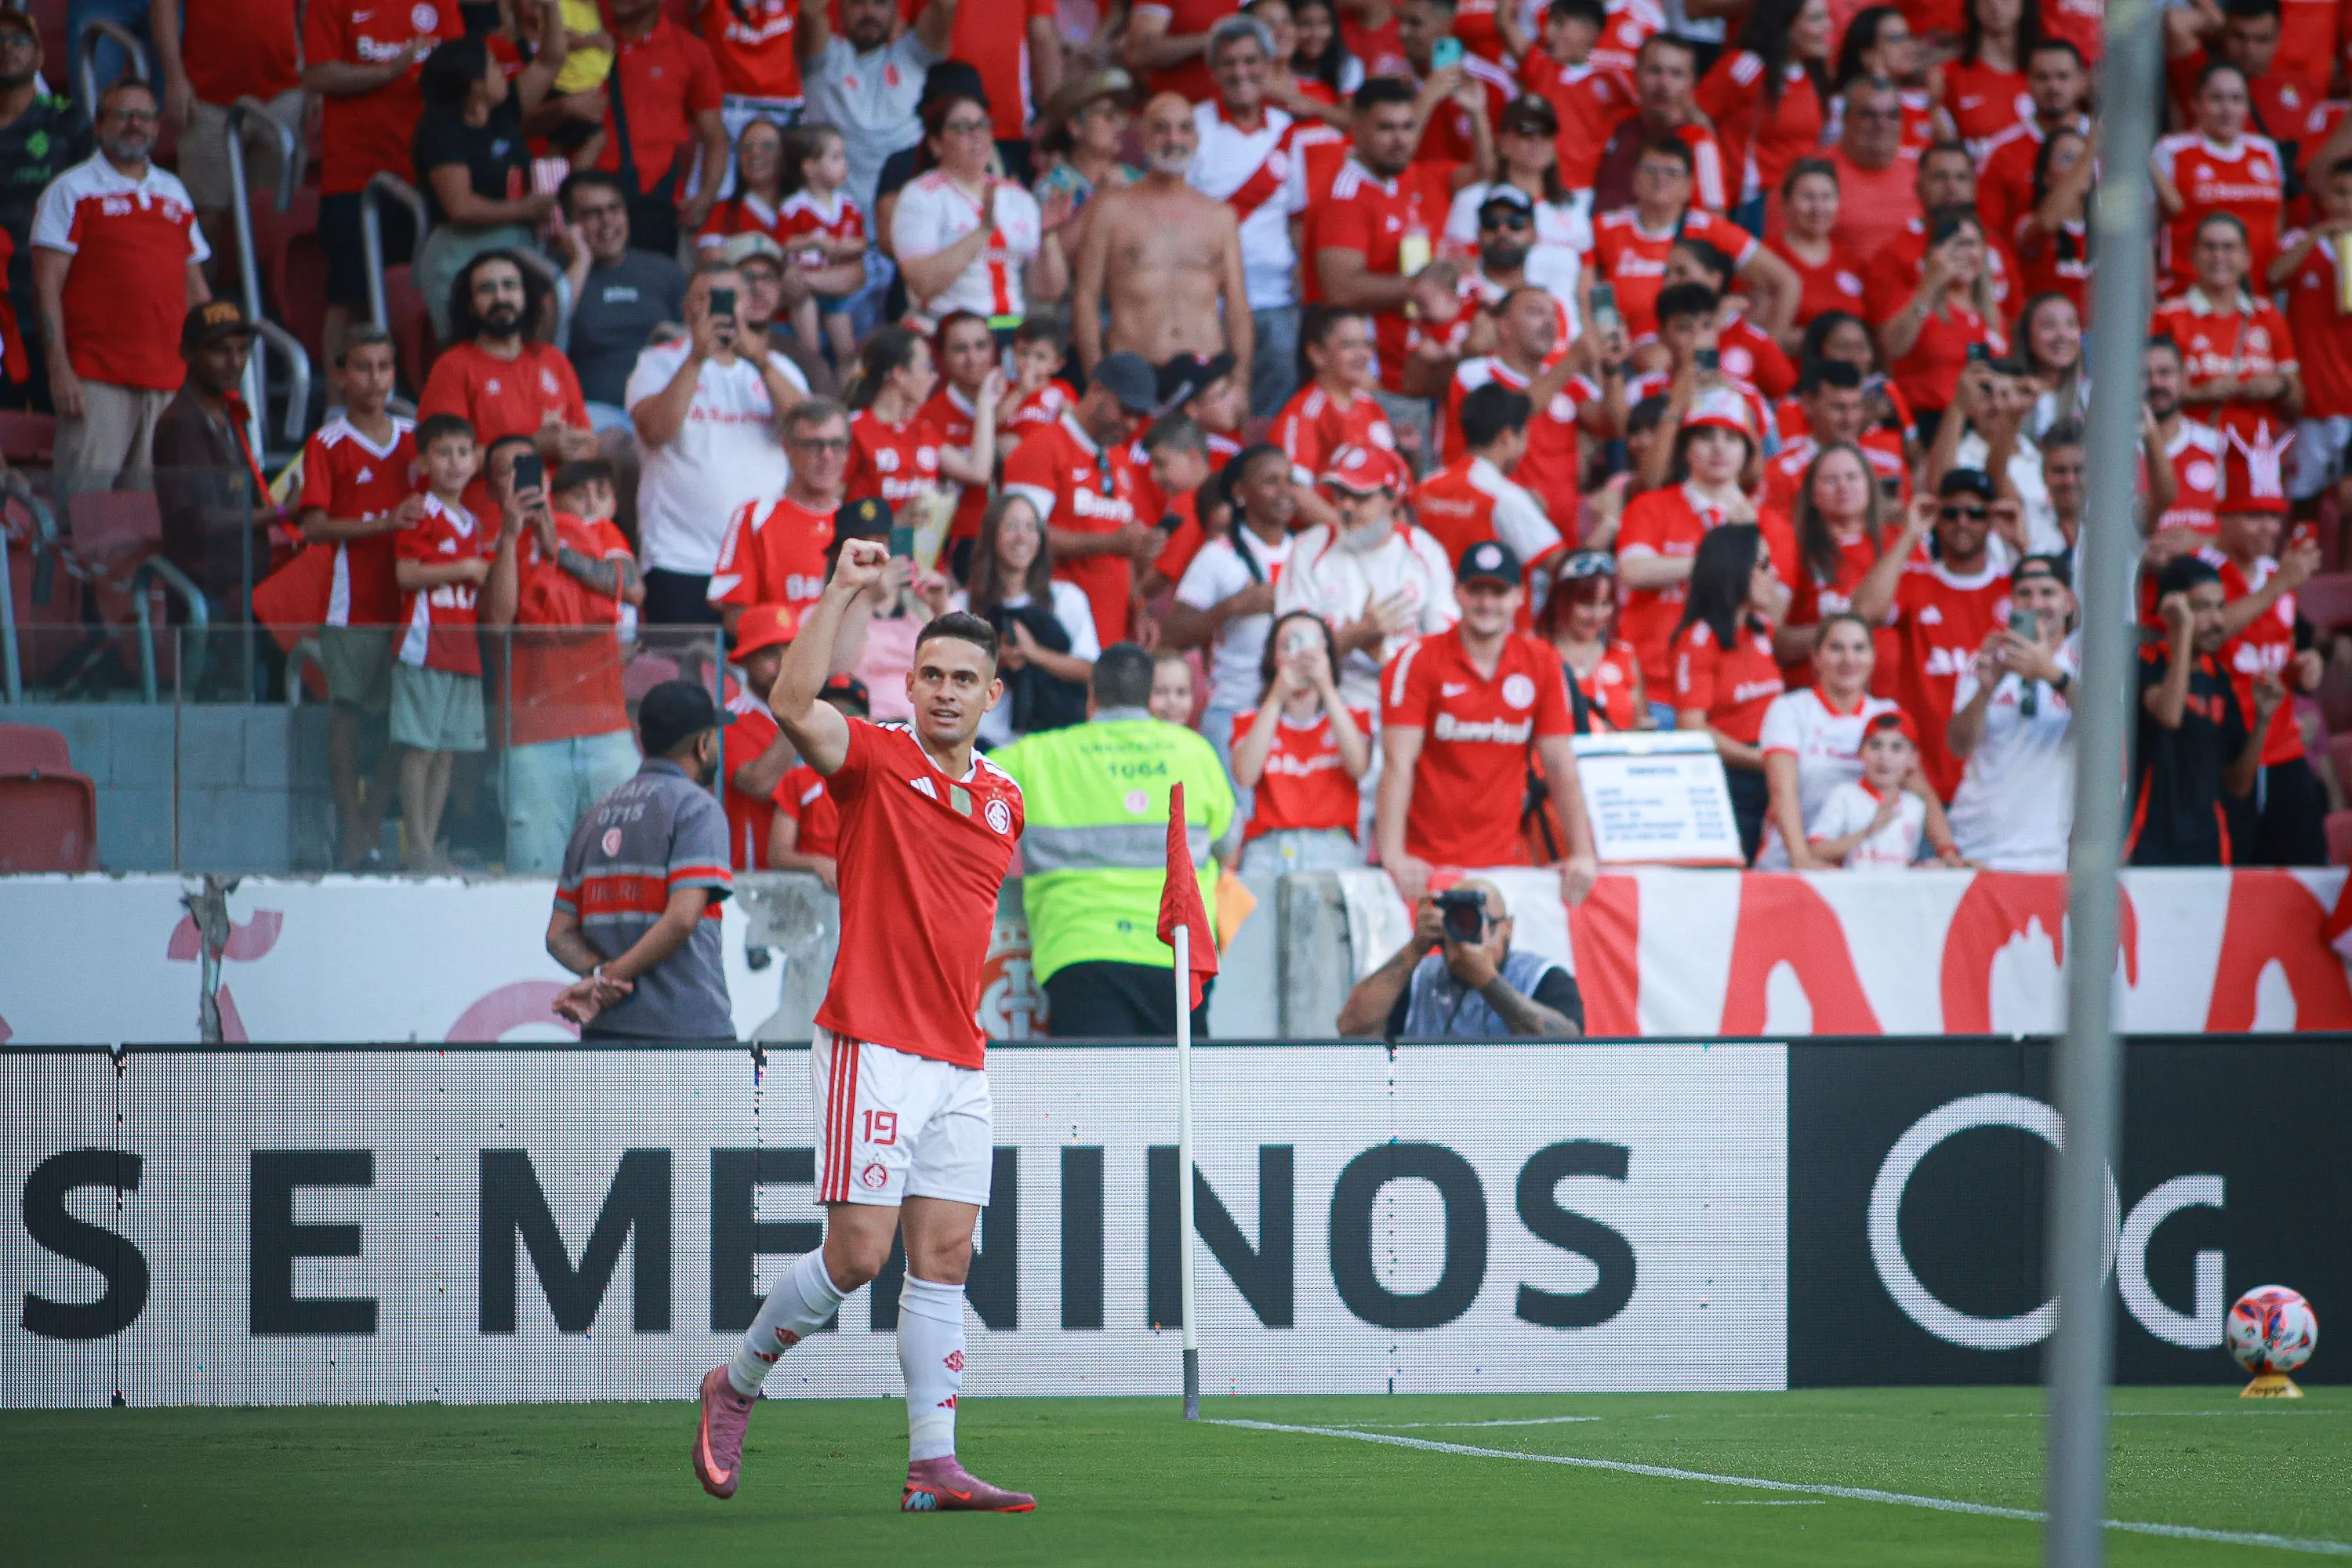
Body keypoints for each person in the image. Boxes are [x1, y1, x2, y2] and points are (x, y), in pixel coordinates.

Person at [696, 539, 1032, 1512]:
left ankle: (933, 1462)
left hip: (958, 1057)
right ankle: (737, 1382)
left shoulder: (1007, 796)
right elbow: (792, 708)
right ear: (909, 679)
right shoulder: (875, 757)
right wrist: (843, 587)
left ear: (991, 696)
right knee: (857, 1256)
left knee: (946, 1257)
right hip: (872, 1041)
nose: (943, 692)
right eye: (929, 674)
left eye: (963, 679)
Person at [993, 642, 1236, 1037]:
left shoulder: (1039, 755)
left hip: (1080, 950)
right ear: (1148, 695)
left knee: (1096, 1095)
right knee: (1178, 1096)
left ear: (1092, 696)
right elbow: (1228, 844)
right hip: (1178, 954)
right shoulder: (1196, 753)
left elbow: (959, 786)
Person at [1379, 539, 1599, 900]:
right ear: (1457, 593)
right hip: (1426, 866)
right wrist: (1393, 856)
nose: (1487, 603)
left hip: (1504, 863)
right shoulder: (1417, 660)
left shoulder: (1542, 662)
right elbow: (1397, 763)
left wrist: (1582, 855)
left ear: (1519, 596)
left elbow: (1560, 763)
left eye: (1498, 592)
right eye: (1476, 590)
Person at [31, 78, 211, 495]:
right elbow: (46, 288)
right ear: (98, 125)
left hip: (170, 384)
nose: (135, 124)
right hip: (97, 383)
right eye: (123, 115)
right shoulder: (70, 189)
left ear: (157, 127)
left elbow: (196, 290)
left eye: (145, 116)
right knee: (88, 529)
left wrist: (208, 373)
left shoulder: (175, 192)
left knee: (152, 526)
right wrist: (59, 372)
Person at [478, 434, 643, 875]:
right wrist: (512, 535)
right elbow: (498, 621)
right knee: (536, 871)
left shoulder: (590, 529)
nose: (518, 480)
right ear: (494, 490)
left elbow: (633, 586)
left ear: (545, 476)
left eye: (526, 468)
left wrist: (560, 551)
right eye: (505, 473)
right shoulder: (486, 541)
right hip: (533, 737)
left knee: (623, 868)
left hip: (606, 725)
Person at [286, 327, 418, 868]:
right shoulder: (327, 443)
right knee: (349, 713)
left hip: (412, 602)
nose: (375, 379)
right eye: (362, 368)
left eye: (384, 367)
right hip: (350, 602)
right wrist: (384, 523)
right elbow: (313, 526)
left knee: (403, 721)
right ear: (340, 376)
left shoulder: (415, 438)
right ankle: (351, 829)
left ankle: (370, 821)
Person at [548, 678, 735, 1041]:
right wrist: (611, 977)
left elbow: (558, 935)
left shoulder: (595, 814)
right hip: (686, 1035)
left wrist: (599, 975)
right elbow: (683, 918)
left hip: (607, 1034)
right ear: (701, 745)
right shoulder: (697, 808)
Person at [630, 263, 811, 625]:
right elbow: (655, 430)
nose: (722, 309)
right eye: (708, 299)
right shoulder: (658, 362)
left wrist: (759, 361)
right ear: (688, 309)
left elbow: (808, 435)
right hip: (680, 557)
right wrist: (697, 358)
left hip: (761, 557)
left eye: (731, 298)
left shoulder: (778, 367)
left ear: (748, 306)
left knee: (766, 676)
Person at [1616, 387, 1795, 699]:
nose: (1718, 448)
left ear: (1748, 452)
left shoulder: (1771, 525)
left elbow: (1776, 614)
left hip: (1740, 692)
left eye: (1731, 438)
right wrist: (1725, 561)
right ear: (1685, 449)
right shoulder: (1649, 506)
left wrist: (1750, 540)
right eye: (1705, 437)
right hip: (1656, 686)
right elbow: (1633, 571)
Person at [307, 0, 456, 365]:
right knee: (350, 297)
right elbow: (317, 74)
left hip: (429, 174)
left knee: (430, 294)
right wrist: (390, 71)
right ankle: (337, 408)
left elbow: (460, 67)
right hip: (355, 175)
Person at [1851, 474, 2016, 799]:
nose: (1962, 522)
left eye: (1976, 514)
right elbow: (1862, 613)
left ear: (1991, 520)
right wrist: (1909, 536)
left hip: (1997, 790)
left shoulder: (2014, 589)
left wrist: (2022, 544)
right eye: (1951, 513)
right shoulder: (1916, 581)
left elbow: (2063, 621)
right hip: (1924, 787)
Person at [1072, 93, 1253, 379]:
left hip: (1206, 376)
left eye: (1184, 129)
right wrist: (1097, 376)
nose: (1173, 139)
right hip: (1134, 373)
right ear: (1143, 137)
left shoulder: (1221, 217)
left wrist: (1240, 381)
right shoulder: (1110, 210)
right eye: (1161, 128)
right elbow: (1086, 298)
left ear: (1196, 138)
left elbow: (1238, 308)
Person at [2209, 445, 2328, 865]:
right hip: (2221, 754)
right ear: (2222, 516)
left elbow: (2274, 655)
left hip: (2282, 748)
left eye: (2274, 516)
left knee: (2303, 872)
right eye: (2253, 516)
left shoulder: (2279, 576)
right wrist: (2278, 587)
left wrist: (2303, 669)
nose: (2267, 529)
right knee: (2228, 884)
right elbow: (2212, 633)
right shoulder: (2201, 573)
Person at [1277, 441, 1461, 713]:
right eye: (1340, 494)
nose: (1347, 506)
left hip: (1407, 707)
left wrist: (1384, 655)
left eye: (1360, 496)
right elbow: (1291, 661)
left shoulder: (1423, 550)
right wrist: (1357, 635)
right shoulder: (1309, 548)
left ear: (1392, 500)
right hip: (1328, 708)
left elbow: (1447, 653)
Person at [1001, 350, 1164, 651]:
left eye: (1139, 417)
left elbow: (1123, 543)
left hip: (1112, 634)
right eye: (1125, 410)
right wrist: (1110, 544)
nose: (1131, 424)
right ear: (1096, 390)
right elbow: (1015, 537)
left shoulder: (1119, 456)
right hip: (1052, 632)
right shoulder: (1041, 448)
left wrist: (1139, 608)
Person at [1190, 16, 1312, 418]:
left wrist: (1299, 276)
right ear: (1212, 72)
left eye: (1250, 60)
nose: (1240, 72)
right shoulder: (1192, 127)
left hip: (1274, 299)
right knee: (1211, 411)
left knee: (1270, 417)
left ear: (1268, 65)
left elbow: (1296, 217)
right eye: (1228, 63)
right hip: (1208, 301)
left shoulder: (1286, 130)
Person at [410, 30, 564, 340]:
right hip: (460, 253)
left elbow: (550, 61)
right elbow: (460, 206)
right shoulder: (441, 131)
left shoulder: (502, 113)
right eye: (494, 66)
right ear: (475, 85)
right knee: (473, 354)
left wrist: (550, 8)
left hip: (519, 246)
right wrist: (525, 208)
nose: (503, 73)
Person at [2130, 554, 2276, 865]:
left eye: (2219, 607)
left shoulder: (2218, 678)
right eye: (2202, 608)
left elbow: (2238, 786)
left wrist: (2263, 721)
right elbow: (2170, 714)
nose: (2218, 620)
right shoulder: (2145, 663)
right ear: (2173, 609)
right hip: (2146, 846)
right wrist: (2180, 630)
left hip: (2208, 849)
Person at [391, 413, 491, 871]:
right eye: (443, 452)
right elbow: (406, 575)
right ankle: (419, 849)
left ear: (477, 460)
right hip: (424, 644)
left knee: (446, 751)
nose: (454, 462)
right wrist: (464, 570)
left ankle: (429, 846)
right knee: (421, 749)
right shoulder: (419, 510)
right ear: (424, 461)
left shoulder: (471, 521)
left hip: (462, 649)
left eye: (463, 452)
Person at [927, 492, 1098, 749]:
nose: (1021, 537)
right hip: (985, 742)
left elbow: (1090, 669)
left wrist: (1035, 654)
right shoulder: (963, 603)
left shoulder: (1066, 598)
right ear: (992, 536)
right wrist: (999, 662)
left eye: (1031, 527)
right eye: (1011, 526)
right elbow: (949, 676)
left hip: (1054, 741)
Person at [419, 250, 598, 494]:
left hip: (564, 504)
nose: (500, 297)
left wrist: (572, 446)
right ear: (470, 305)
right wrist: (535, 446)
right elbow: (442, 459)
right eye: (487, 289)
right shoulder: (452, 366)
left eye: (510, 286)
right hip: (491, 509)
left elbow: (589, 444)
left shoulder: (553, 359)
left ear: (525, 296)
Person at [1585, 138, 1796, 344]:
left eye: (1672, 173)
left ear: (1688, 186)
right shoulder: (1605, 227)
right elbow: (1582, 289)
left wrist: (1770, 346)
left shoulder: (1709, 229)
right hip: (1620, 350)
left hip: (1691, 351)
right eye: (1651, 169)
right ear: (1634, 179)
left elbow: (1787, 282)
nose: (1660, 179)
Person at [1166, 444, 1299, 766]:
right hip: (1234, 711)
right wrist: (1230, 607)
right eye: (1271, 481)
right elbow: (1171, 634)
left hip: (1298, 714)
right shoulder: (1218, 556)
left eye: (1289, 480)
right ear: (1240, 491)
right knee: (1236, 817)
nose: (1285, 491)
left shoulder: (1309, 553)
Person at [1947, 554, 2079, 869]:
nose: (2036, 602)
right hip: (1973, 844)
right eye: (2025, 593)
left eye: (2048, 592)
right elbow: (1958, 745)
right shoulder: (1986, 661)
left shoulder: (2084, 665)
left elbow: (2106, 729)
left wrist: (2050, 673)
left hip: (2046, 851)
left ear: (2069, 602)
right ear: (2011, 603)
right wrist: (1986, 688)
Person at [1667, 523, 1788, 861]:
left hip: (1770, 774)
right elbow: (1692, 727)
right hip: (1732, 784)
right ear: (1733, 566)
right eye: (1763, 564)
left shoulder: (1761, 628)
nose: (1774, 573)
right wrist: (1759, 760)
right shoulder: (1698, 639)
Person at [893, 89, 1061, 329]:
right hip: (948, 334)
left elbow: (1047, 291)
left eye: (983, 125)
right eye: (962, 128)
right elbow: (923, 283)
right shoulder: (920, 195)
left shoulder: (1017, 196)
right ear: (936, 143)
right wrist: (982, 232)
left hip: (1011, 331)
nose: (977, 136)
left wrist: (1049, 235)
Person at [1335, 878, 1584, 1038]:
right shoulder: (1418, 977)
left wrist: (1488, 981)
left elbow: (1568, 1043)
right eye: (1459, 923)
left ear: (1508, 928)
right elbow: (1350, 1026)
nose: (1470, 934)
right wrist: (1415, 947)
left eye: (1481, 924)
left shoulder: (1543, 976)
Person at [149, 300, 269, 620]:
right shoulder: (181, 423)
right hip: (208, 598)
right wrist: (280, 512)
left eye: (242, 350)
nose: (235, 362)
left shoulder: (227, 413)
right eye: (220, 351)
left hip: (240, 589)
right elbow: (204, 521)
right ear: (188, 353)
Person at [1232, 608, 1374, 871]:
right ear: (1272, 657)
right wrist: (1276, 697)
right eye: (1289, 646)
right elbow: (1245, 776)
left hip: (1334, 843)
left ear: (1328, 655)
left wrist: (1326, 687)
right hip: (1268, 846)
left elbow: (1359, 767)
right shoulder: (1250, 720)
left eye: (1311, 646)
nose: (1301, 657)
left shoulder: (1354, 716)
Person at [590, 0, 729, 258]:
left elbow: (715, 137)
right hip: (589, 207)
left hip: (657, 204)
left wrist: (706, 196)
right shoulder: (587, 42)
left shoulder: (690, 50)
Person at [2151, 212, 2302, 449]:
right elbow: (2145, 394)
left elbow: (2299, 402)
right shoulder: (2167, 316)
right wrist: (2201, 393)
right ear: (2193, 256)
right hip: (2190, 452)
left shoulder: (2268, 315)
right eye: (2209, 247)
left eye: (2229, 247)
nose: (2218, 256)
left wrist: (2279, 387)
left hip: (2256, 459)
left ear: (2247, 258)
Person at [795, 0, 955, 222]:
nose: (869, 11)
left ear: (897, 11)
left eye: (880, 2)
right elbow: (810, 10)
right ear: (840, 10)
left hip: (904, 223)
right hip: (831, 226)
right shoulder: (821, 57)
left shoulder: (913, 55)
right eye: (857, 3)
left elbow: (944, 6)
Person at [557, 171, 691, 428]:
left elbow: (696, 339)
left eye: (614, 209)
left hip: (664, 407)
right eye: (592, 214)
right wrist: (581, 262)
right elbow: (548, 336)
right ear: (570, 223)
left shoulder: (664, 270)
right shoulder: (557, 275)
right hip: (594, 410)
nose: (607, 222)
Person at [710, 397, 851, 632]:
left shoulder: (856, 521)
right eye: (814, 445)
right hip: (779, 660)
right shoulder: (754, 516)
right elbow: (735, 615)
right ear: (787, 448)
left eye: (837, 444)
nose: (827, 455)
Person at [1772, 432, 1904, 677]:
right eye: (1831, 479)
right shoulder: (1792, 547)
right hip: (1815, 699)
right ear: (1812, 493)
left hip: (1892, 702)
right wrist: (1840, 634)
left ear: (1870, 486)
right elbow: (1776, 640)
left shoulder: (1902, 543)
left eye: (1852, 477)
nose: (1843, 486)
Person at [1413, 383, 1566, 588]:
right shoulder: (1504, 496)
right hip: (1495, 615)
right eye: (1524, 436)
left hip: (1434, 615)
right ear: (1508, 437)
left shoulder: (1426, 485)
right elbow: (1564, 567)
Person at [1696, 0, 1832, 224]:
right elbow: (1695, 112)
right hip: (1752, 206)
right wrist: (1715, 177)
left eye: (1826, 17)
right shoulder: (1748, 66)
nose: (1827, 26)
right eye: (1815, 18)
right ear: (1785, 24)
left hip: (1801, 206)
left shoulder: (1816, 75)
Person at [2152, 62, 2285, 293]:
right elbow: (2146, 228)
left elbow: (2276, 221)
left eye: (2236, 99)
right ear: (2195, 103)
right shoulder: (2171, 150)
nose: (2227, 109)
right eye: (2216, 99)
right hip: (2185, 296)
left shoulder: (2266, 151)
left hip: (2257, 298)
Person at [1880, 206, 2005, 440]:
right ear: (1934, 251)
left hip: (1981, 431)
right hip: (1925, 428)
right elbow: (1894, 348)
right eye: (1956, 244)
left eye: (1972, 244)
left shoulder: (1992, 314)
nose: (1964, 253)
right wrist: (1931, 283)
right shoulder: (1913, 298)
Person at [841, 325, 993, 520]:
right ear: (899, 374)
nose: (934, 376)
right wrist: (896, 524)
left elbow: (978, 472)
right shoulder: (853, 428)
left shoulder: (923, 429)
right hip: (872, 548)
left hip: (923, 550)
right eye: (927, 367)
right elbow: (830, 504)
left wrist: (985, 401)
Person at [2275, 156, 2352, 513]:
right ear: (2324, 199)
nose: (2349, 203)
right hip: (2313, 402)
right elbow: (2274, 276)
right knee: (2303, 500)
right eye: (2341, 193)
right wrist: (2320, 234)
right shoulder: (2300, 243)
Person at [1592, 33, 1729, 215]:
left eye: (1676, 74)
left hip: (1664, 241)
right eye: (1655, 70)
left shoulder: (1700, 142)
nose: (1664, 83)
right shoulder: (1615, 123)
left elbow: (1714, 217)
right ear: (1637, 73)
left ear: (1691, 83)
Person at [712, 601, 803, 869]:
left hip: (814, 874)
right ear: (746, 659)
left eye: (791, 651)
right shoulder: (729, 718)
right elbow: (760, 784)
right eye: (771, 654)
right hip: (751, 877)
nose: (784, 663)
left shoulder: (819, 712)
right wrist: (794, 712)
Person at [1975, 38, 2091, 242]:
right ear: (2027, 82)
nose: (2053, 86)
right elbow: (1988, 232)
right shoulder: (2001, 151)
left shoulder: (2112, 145)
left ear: (2082, 82)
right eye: (2042, 77)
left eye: (2063, 77)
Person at [767, 671, 869, 885]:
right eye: (830, 712)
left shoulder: (880, 778)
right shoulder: (797, 779)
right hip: (811, 901)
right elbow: (778, 854)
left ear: (869, 721)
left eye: (850, 713)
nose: (841, 721)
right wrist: (818, 863)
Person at [1806, 709, 1931, 867]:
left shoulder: (1915, 806)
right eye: (1875, 745)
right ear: (1860, 752)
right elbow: (1815, 850)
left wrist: (1923, 867)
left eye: (1896, 748)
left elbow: (1905, 862)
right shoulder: (1845, 796)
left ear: (1913, 759)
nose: (1884, 756)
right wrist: (1868, 831)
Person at [1542, 551, 1648, 731]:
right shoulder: (1539, 655)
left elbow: (1639, 726)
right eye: (1587, 604)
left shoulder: (1624, 655)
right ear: (1561, 600)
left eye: (1606, 603)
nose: (1597, 615)